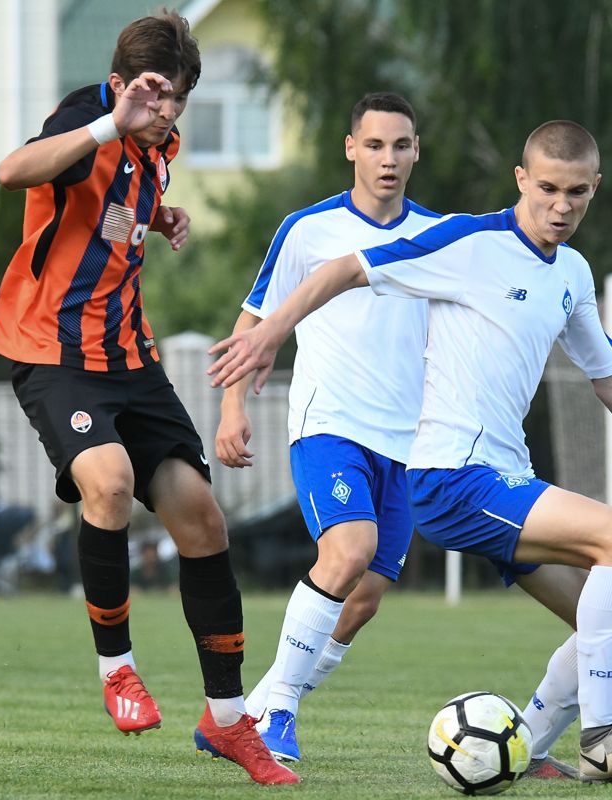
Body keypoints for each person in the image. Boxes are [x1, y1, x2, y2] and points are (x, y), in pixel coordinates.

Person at [207, 119, 612, 782]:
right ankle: (602, 735)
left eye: (576, 193)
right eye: (547, 189)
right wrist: (271, 332)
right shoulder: (469, 241)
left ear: (595, 189)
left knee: (604, 620)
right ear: (521, 180)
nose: (560, 206)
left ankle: (530, 742)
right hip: (455, 477)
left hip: (507, 479)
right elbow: (346, 268)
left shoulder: (572, 271)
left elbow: (603, 372)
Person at [0, 10, 297, 786]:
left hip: (132, 359)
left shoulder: (159, 149)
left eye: (178, 103)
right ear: (120, 85)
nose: (165, 115)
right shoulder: (85, 117)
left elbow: (111, 212)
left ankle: (228, 722)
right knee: (111, 481)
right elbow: (13, 172)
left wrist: (160, 216)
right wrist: (105, 125)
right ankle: (117, 669)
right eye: (153, 99)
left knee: (201, 515)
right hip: (54, 353)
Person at [215, 92, 439, 762]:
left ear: (416, 150)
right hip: (329, 425)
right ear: (350, 149)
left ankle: (249, 712)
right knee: (347, 551)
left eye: (401, 145)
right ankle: (278, 716)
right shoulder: (308, 230)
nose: (388, 159)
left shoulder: (438, 234)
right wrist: (232, 411)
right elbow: (254, 319)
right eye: (374, 145)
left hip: (405, 443)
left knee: (363, 596)